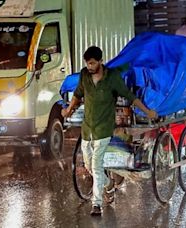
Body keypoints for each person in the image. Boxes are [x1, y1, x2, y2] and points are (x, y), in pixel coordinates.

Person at [62, 46, 157, 216]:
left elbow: (130, 96)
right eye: (87, 63)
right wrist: (69, 109)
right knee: (90, 166)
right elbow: (78, 94)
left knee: (97, 166)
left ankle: (96, 204)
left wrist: (148, 111)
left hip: (104, 129)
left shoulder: (112, 77)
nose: (89, 67)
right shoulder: (84, 75)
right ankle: (108, 185)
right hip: (87, 128)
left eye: (92, 63)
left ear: (100, 61)